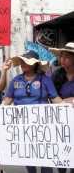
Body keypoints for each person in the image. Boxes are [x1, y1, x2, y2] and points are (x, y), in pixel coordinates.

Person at [4, 50, 63, 173]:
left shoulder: (45, 79)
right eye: (22, 61)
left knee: (45, 153)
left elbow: (54, 98)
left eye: (26, 61)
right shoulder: (16, 80)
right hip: (22, 124)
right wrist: (1, 108)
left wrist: (67, 107)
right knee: (28, 152)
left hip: (42, 123)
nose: (23, 64)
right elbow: (9, 99)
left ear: (35, 64)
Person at [49, 42, 74, 173]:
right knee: (62, 152)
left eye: (67, 56)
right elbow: (50, 94)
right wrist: (63, 101)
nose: (62, 59)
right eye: (62, 56)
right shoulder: (56, 75)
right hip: (61, 120)